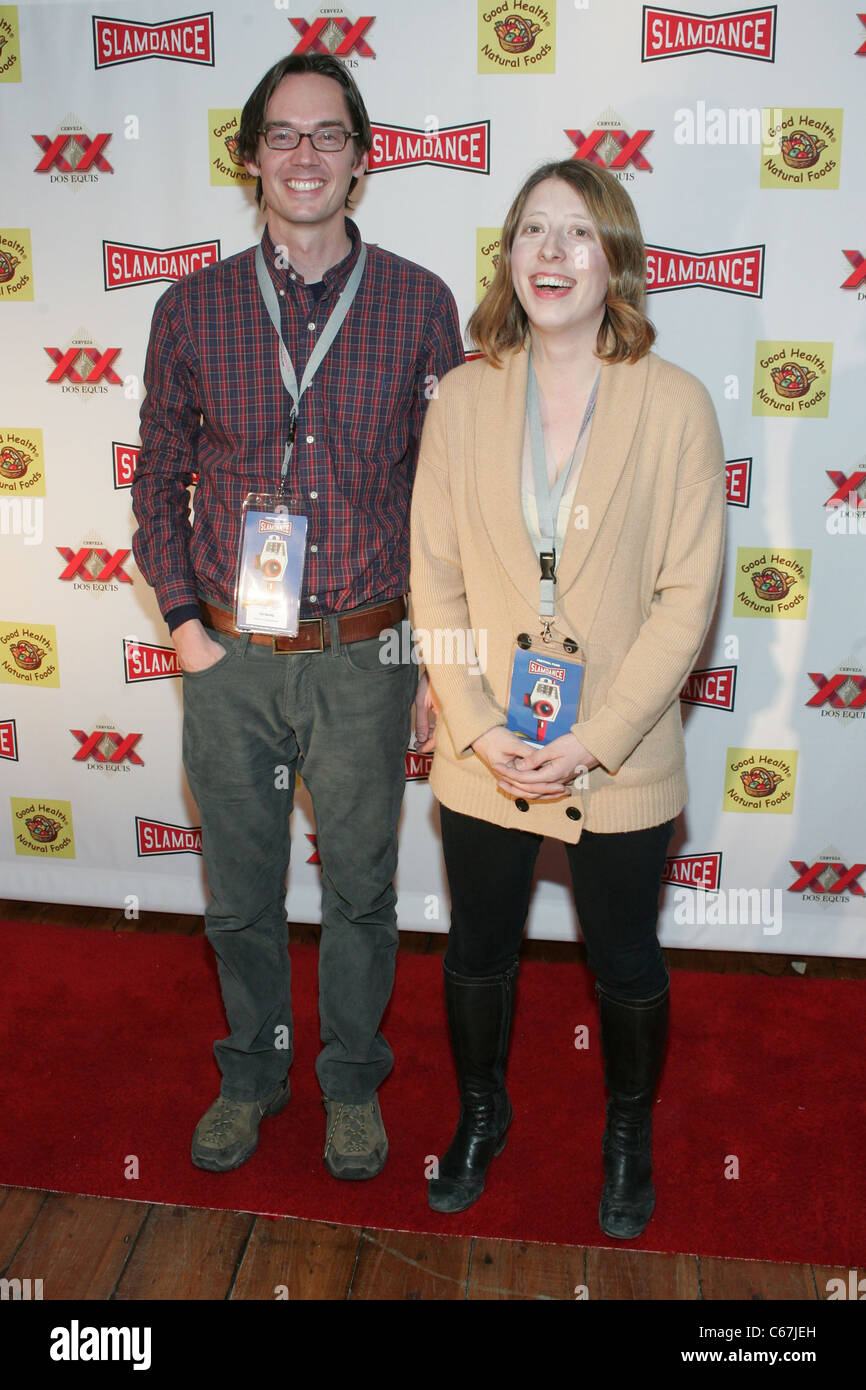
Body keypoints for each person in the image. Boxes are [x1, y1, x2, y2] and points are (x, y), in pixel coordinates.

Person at [131, 53, 464, 1181]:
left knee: (363, 893)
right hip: (228, 652)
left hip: (366, 651)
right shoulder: (192, 306)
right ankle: (252, 1074)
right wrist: (182, 620)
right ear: (248, 157)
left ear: (362, 163)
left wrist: (427, 654)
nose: (304, 155)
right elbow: (158, 473)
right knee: (239, 895)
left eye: (328, 136)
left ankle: (352, 1084)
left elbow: (444, 494)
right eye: (282, 134)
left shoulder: (421, 304)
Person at [410, 159, 726, 1236]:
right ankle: (481, 1113)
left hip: (620, 751)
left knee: (626, 957)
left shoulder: (675, 402)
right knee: (476, 950)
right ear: (507, 257)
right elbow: (433, 579)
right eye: (531, 231)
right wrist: (477, 720)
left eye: (577, 234)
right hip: (482, 746)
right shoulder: (460, 396)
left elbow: (687, 600)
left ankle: (627, 1135)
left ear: (616, 259)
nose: (550, 254)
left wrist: (589, 741)